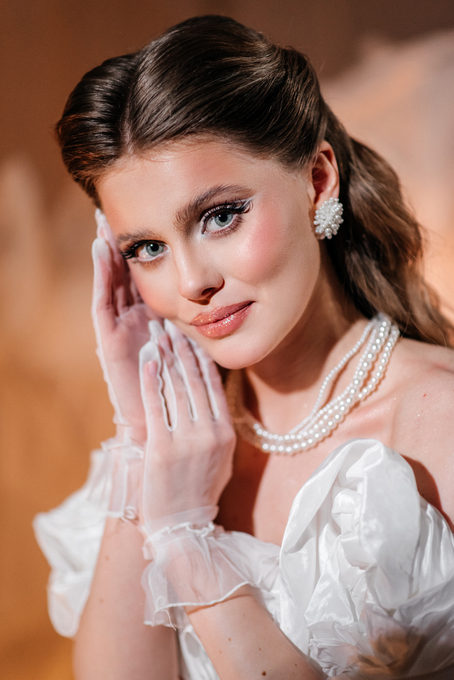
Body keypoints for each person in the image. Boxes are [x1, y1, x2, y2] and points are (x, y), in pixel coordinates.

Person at [34, 15, 454, 680]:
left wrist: (186, 545)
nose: (190, 282)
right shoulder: (169, 452)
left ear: (318, 180)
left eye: (220, 215)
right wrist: (141, 443)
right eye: (148, 248)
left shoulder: (439, 423)